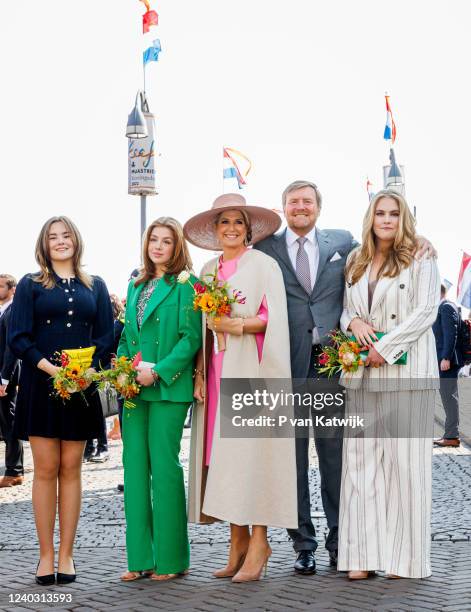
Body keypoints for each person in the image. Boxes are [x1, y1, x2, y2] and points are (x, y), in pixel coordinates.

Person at [255, 180, 435, 574]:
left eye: (307, 201)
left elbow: (389, 236)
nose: (300, 207)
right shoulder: (265, 248)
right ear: (283, 207)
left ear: (318, 207)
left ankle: (343, 542)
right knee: (293, 459)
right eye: (293, 202)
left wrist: (420, 238)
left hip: (336, 365)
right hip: (287, 365)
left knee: (339, 458)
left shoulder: (344, 244)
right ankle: (302, 543)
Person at [185, 193, 298, 583]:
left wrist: (238, 325)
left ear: (248, 229)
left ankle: (261, 542)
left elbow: (273, 317)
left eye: (237, 222)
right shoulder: (207, 271)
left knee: (254, 454)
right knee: (221, 457)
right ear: (215, 230)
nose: (231, 229)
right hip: (217, 373)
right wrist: (199, 371)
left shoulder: (264, 265)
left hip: (251, 368)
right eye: (224, 223)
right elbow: (201, 328)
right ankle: (237, 540)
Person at [338, 189, 440, 579]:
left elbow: (426, 310)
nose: (386, 220)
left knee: (406, 469)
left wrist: (386, 346)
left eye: (394, 214)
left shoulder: (422, 256)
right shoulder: (355, 259)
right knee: (360, 467)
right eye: (380, 213)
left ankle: (405, 560)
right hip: (362, 373)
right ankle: (361, 558)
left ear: (404, 219)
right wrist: (354, 324)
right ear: (370, 217)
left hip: (406, 373)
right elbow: (348, 307)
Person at [8, 216, 114, 585]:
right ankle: (44, 555)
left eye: (65, 235)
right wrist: (52, 370)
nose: (60, 241)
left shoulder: (96, 285)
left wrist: (90, 372)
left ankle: (67, 555)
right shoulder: (30, 284)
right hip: (41, 387)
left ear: (76, 240)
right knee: (46, 469)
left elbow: (105, 336)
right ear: (44, 244)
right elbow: (18, 337)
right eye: (53, 237)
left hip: (82, 389)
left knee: (72, 469)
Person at [117, 217, 202, 582]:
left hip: (167, 386)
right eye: (154, 239)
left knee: (164, 469)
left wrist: (159, 370)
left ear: (177, 246)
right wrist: (121, 370)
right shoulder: (136, 284)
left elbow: (191, 338)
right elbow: (126, 337)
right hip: (134, 389)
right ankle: (140, 559)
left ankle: (171, 559)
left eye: (167, 241)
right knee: (134, 469)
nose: (159, 246)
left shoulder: (188, 285)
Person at [432, 284, 464, 447]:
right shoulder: (445, 307)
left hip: (448, 361)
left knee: (449, 397)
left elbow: (451, 334)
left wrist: (445, 357)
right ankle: (451, 434)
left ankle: (452, 436)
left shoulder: (445, 307)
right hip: (447, 360)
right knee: (448, 397)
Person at [0, 274, 24, 488]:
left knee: (10, 421)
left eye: (0, 286)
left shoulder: (13, 310)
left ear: (12, 289)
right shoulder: (3, 310)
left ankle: (14, 470)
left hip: (8, 374)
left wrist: (5, 378)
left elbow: (11, 347)